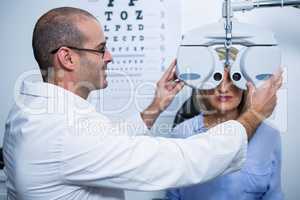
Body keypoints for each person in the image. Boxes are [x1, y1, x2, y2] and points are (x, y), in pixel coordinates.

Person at [3, 7, 282, 200]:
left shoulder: (37, 112)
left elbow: (106, 145)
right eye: (101, 49)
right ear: (67, 58)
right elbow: (178, 161)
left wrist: (155, 106)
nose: (109, 56)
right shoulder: (61, 132)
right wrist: (254, 114)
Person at [166, 47, 283, 200]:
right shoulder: (182, 133)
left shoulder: (269, 135)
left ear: (246, 84)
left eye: (233, 79)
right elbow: (173, 196)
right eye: (216, 78)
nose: (223, 88)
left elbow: (273, 195)